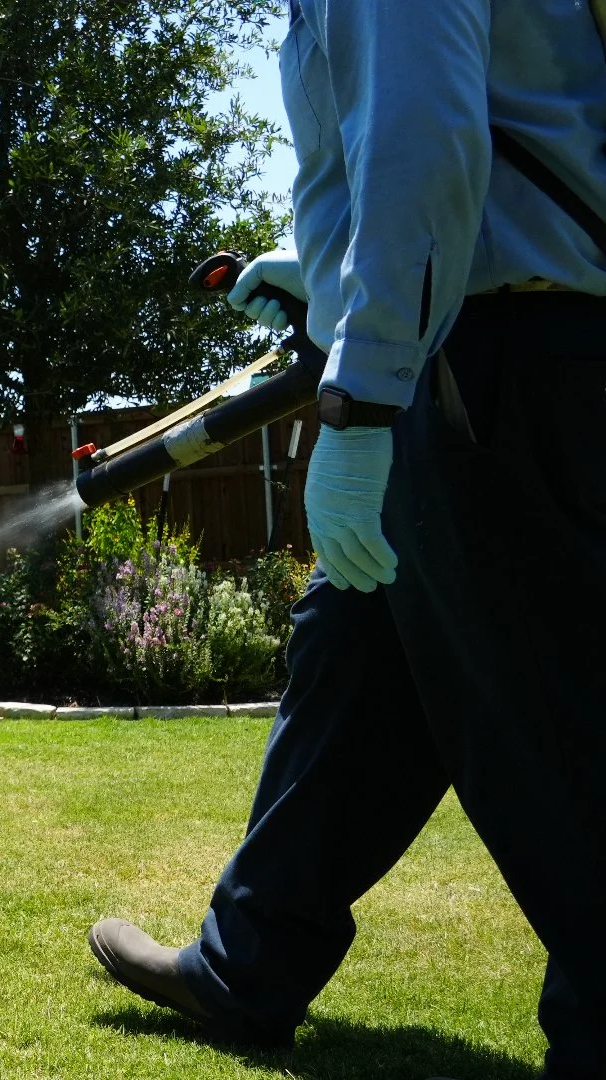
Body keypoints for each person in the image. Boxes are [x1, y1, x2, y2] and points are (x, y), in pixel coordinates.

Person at [85, 0, 606, 1075]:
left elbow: (424, 140)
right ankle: (250, 961)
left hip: (491, 362)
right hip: (526, 338)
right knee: (354, 654)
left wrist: (362, 401)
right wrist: (328, 280)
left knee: (559, 743)